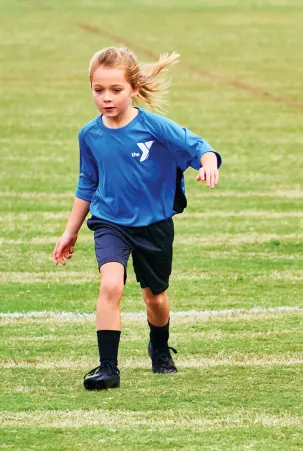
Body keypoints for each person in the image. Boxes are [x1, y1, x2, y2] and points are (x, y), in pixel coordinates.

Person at [52, 47, 221, 390]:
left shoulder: (153, 126)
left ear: (133, 88)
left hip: (153, 224)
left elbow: (198, 146)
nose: (106, 98)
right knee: (111, 285)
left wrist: (208, 163)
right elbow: (87, 182)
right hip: (110, 221)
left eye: (116, 90)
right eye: (99, 90)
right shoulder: (89, 134)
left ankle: (159, 347)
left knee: (154, 297)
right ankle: (108, 368)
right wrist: (70, 232)